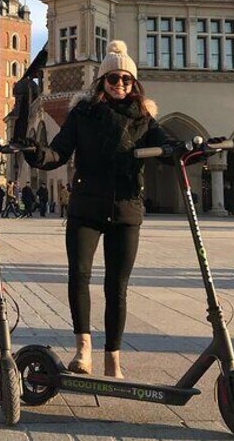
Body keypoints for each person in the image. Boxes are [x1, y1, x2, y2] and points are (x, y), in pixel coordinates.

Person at [18, 40, 171, 378]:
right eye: (113, 79)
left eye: (126, 80)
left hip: (126, 209)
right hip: (86, 206)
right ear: (101, 81)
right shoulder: (82, 113)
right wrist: (35, 152)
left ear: (134, 83)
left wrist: (184, 150)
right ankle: (83, 350)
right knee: (79, 276)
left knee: (117, 287)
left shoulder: (144, 117)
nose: (120, 85)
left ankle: (113, 358)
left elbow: (164, 142)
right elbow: (58, 152)